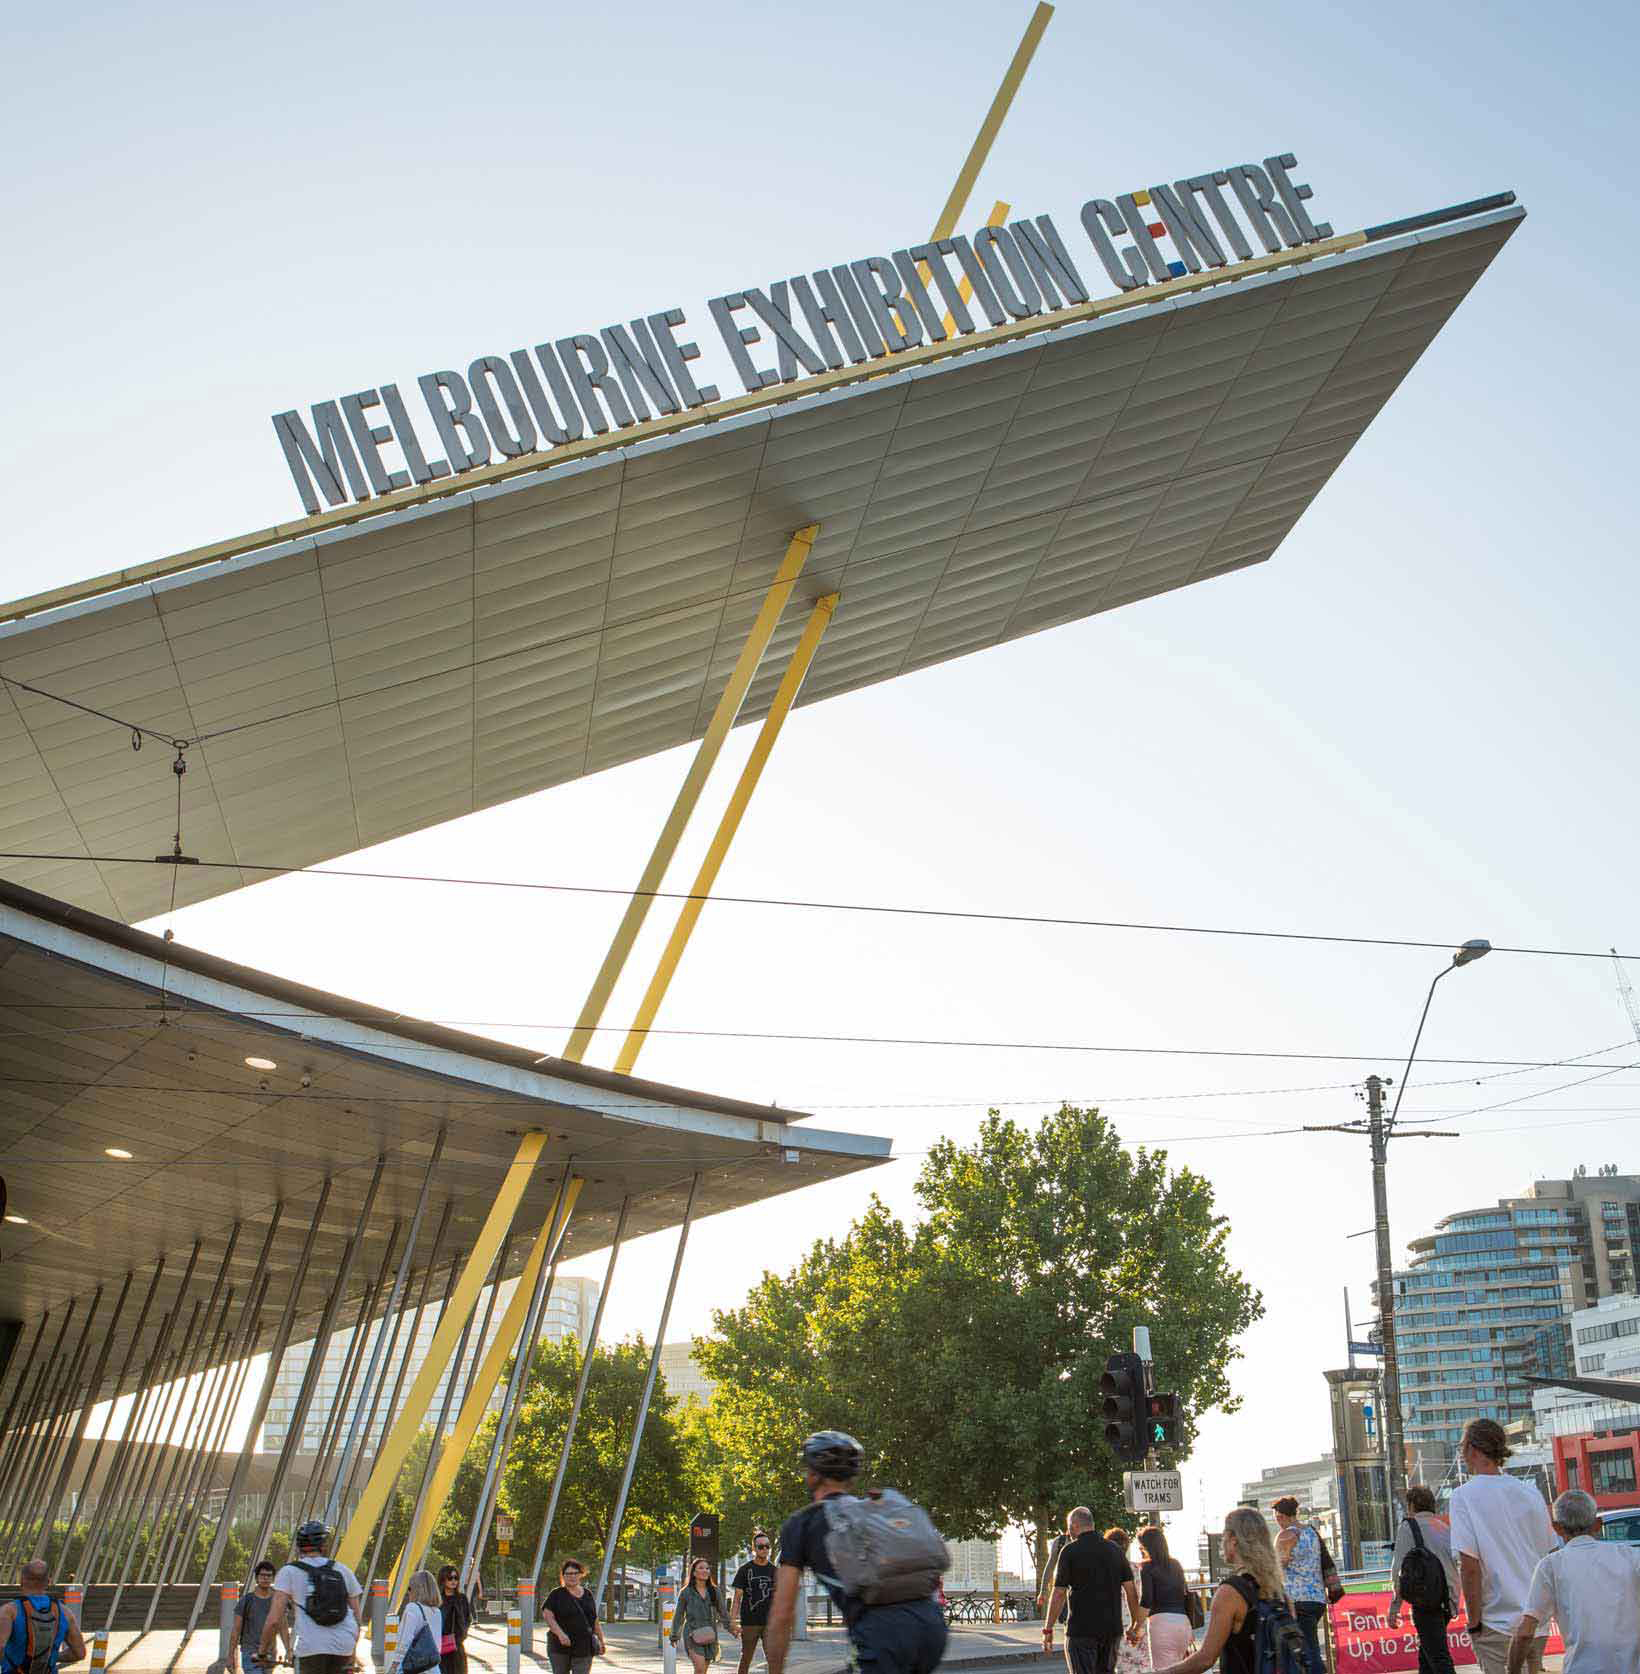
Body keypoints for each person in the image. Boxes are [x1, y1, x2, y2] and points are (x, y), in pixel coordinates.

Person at [765, 1430, 946, 1674]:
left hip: (880, 1636)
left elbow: (782, 1612)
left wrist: (774, 1670)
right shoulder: (871, 1513)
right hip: (931, 1626)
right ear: (851, 1478)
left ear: (812, 1475)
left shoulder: (803, 1523)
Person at [1448, 1419, 1554, 1674]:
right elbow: (1548, 1556)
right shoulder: (1530, 1494)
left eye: (1463, 1446)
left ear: (1473, 1449)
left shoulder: (1463, 1497)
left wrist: (1474, 1623)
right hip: (1535, 1622)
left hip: (1496, 1623)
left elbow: (1470, 1566)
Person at [1510, 1487, 1640, 1674]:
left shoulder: (1550, 1566)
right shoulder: (1631, 1557)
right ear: (1597, 1524)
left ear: (1556, 1528)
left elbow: (1524, 1633)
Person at [1152, 1508, 1288, 1674]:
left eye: (1224, 1535)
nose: (1222, 1541)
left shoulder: (1231, 1592)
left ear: (1233, 1540)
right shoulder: (1279, 1590)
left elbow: (1206, 1658)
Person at [1041, 1507, 1143, 1674]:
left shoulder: (1069, 1551)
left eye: (1069, 1527)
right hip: (1111, 1631)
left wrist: (1048, 1629)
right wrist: (1134, 1625)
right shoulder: (1115, 1550)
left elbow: (1059, 1593)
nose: (1068, 1532)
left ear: (1074, 1525)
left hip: (1081, 1631)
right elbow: (1131, 1591)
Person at [260, 1520, 362, 1674]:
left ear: (299, 1546)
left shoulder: (289, 1572)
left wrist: (262, 1651)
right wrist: (352, 1653)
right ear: (323, 1546)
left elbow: (274, 1620)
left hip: (310, 1646)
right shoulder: (342, 1570)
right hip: (344, 1646)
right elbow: (357, 1619)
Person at [1388, 1486, 1461, 1674]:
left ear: (1411, 1505)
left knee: (1437, 1657)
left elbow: (1399, 1569)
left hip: (1425, 1599)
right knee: (1428, 1653)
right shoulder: (1445, 1528)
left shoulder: (1409, 1527)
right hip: (1447, 1598)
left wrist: (1395, 1606)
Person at [1, 1561, 85, 1674]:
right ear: (48, 1582)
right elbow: (79, 1653)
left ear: (22, 1581)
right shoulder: (64, 1612)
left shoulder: (9, 1611)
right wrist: (51, 1657)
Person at [1271, 1498, 1325, 1674]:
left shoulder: (1286, 1535)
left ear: (1281, 1516)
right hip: (1317, 1599)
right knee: (1309, 1646)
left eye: (1276, 1517)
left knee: (1301, 1652)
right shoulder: (1311, 1532)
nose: (1276, 1521)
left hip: (1296, 1601)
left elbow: (1277, 1567)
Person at [1137, 1527, 1194, 1669]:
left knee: (1163, 1670)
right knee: (1180, 1670)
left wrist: (1135, 1627)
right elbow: (1184, 1593)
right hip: (1183, 1624)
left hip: (1162, 1625)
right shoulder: (1176, 1565)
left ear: (1146, 1547)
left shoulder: (1147, 1567)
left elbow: (1147, 1601)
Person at [670, 1559, 736, 1674]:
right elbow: (679, 1615)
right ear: (694, 1573)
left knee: (703, 1671)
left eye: (707, 1568)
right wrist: (674, 1635)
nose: (705, 1570)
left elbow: (723, 1612)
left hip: (710, 1635)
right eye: (701, 1568)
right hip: (692, 1634)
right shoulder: (686, 1592)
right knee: (700, 1668)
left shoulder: (715, 1591)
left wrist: (731, 1629)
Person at [543, 1558, 604, 1674]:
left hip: (584, 1646)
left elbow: (594, 1620)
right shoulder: (556, 1594)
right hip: (560, 1646)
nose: (572, 1576)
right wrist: (561, 1635)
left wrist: (601, 1641)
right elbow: (548, 1616)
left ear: (581, 1574)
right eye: (568, 1574)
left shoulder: (588, 1594)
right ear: (563, 1576)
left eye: (575, 1573)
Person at [1104, 1529, 1150, 1674]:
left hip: (1116, 1624)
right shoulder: (1139, 1568)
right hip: (1139, 1622)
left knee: (1122, 1667)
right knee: (1143, 1665)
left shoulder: (1105, 1572)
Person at [232, 1562, 290, 1674]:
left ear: (273, 1578)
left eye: (269, 1576)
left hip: (270, 1654)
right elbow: (236, 1630)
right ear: (256, 1578)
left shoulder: (277, 1601)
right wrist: (230, 1656)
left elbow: (283, 1627)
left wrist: (288, 1650)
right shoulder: (246, 1600)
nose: (266, 1578)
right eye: (262, 1575)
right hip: (250, 1652)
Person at [731, 1533, 776, 1673]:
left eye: (767, 1546)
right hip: (749, 1622)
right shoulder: (744, 1570)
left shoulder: (775, 1571)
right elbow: (737, 1598)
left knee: (774, 1660)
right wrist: (733, 1621)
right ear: (754, 1549)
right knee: (746, 1659)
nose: (764, 1549)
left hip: (771, 1624)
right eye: (761, 1546)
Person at [389, 1573, 444, 1674]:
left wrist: (394, 1665)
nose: (408, 1592)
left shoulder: (412, 1608)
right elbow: (437, 1644)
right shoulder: (437, 1612)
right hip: (432, 1667)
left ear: (416, 1589)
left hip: (414, 1667)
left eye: (409, 1588)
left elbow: (404, 1639)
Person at [436, 1566, 473, 1674]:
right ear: (443, 1579)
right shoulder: (437, 1599)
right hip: (441, 1645)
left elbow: (467, 1619)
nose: (453, 1581)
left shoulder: (461, 1598)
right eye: (450, 1578)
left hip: (457, 1645)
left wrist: (462, 1634)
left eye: (456, 1578)